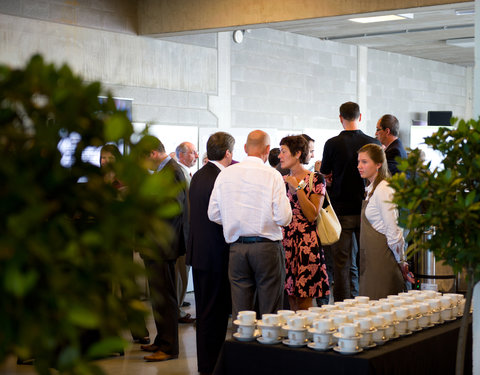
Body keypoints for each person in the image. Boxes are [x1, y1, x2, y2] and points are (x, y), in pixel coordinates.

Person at [208, 130, 292, 320]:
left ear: (245, 148)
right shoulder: (272, 175)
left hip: (237, 249)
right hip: (267, 248)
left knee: (241, 314)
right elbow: (283, 218)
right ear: (268, 149)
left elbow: (213, 214)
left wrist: (233, 220)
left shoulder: (225, 174)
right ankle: (267, 348)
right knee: (270, 312)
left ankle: (242, 349)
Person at [320, 101, 381, 301]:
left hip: (341, 211)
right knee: (367, 261)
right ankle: (368, 303)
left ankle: (342, 308)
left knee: (341, 265)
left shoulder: (332, 144)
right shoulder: (373, 142)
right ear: (360, 117)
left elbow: (325, 173)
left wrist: (331, 177)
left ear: (340, 118)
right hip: (367, 209)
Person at [186, 131, 235, 375]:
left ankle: (205, 366)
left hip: (199, 253)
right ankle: (214, 367)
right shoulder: (222, 178)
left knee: (204, 314)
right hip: (217, 253)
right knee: (215, 317)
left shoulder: (199, 175)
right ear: (228, 153)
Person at [139, 135, 187, 362]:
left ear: (152, 153)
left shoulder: (173, 171)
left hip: (163, 244)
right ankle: (161, 340)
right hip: (154, 243)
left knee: (165, 297)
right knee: (157, 296)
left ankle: (169, 348)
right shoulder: (163, 172)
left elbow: (173, 207)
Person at [279, 135, 329, 311]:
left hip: (306, 245)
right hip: (285, 244)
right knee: (290, 297)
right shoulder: (281, 180)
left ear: (297, 153)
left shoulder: (315, 178)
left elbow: (312, 215)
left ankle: (305, 337)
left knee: (304, 300)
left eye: (284, 151)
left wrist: (297, 188)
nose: (280, 156)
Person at [357, 144, 414, 299]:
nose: (359, 166)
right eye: (359, 162)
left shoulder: (384, 189)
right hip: (371, 263)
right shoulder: (371, 189)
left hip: (383, 262)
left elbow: (394, 230)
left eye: (364, 162)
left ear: (378, 164)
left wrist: (401, 262)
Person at [174, 141, 199, 324]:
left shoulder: (184, 173)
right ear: (181, 155)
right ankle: (176, 310)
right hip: (183, 233)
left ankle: (178, 306)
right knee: (181, 274)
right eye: (192, 153)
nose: (196, 156)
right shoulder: (180, 173)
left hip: (186, 233)